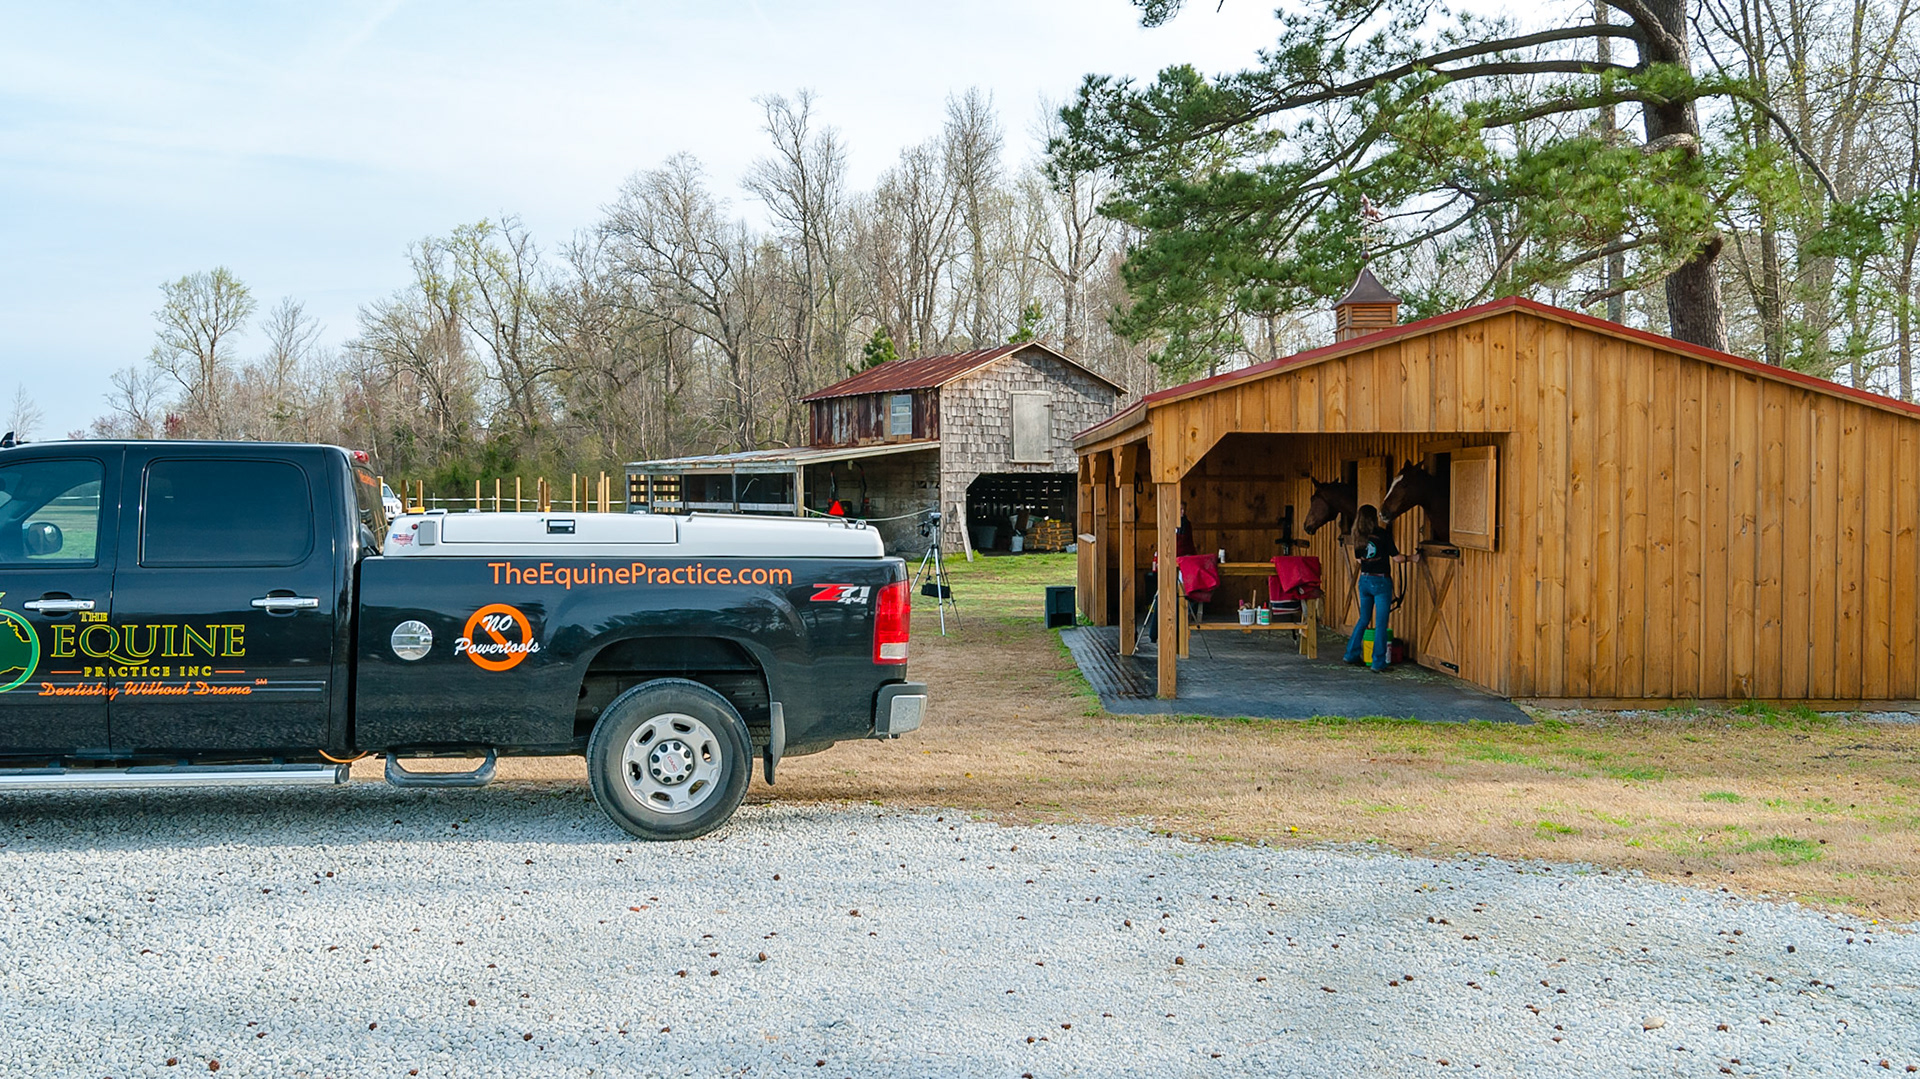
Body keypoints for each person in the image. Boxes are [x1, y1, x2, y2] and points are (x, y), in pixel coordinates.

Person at [1342, 505, 1415, 671]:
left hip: (1364, 580)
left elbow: (1360, 560)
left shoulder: (1357, 536)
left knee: (1364, 619)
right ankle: (1378, 662)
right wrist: (1413, 558)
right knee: (1381, 623)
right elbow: (1397, 558)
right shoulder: (1382, 535)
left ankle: (1351, 654)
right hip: (1381, 582)